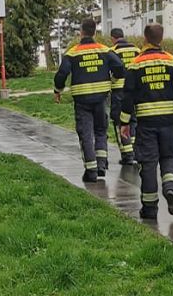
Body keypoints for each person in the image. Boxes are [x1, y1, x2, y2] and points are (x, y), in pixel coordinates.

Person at [117, 23, 173, 219]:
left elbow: (128, 95)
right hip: (168, 122)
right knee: (169, 157)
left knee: (148, 162)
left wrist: (124, 122)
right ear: (161, 38)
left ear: (145, 38)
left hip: (145, 123)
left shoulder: (136, 64)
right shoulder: (172, 61)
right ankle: (171, 188)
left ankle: (150, 208)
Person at [52, 17, 124, 184]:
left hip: (82, 101)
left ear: (81, 32)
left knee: (86, 133)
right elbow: (120, 67)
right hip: (101, 98)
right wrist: (114, 80)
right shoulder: (105, 50)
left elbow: (62, 74)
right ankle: (101, 164)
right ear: (94, 32)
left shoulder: (72, 53)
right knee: (100, 131)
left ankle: (90, 170)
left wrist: (58, 90)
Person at [108, 27, 142, 168]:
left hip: (119, 91)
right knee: (133, 121)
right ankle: (135, 153)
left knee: (119, 121)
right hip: (135, 92)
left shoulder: (113, 51)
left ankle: (127, 154)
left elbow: (114, 70)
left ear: (113, 38)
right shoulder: (137, 50)